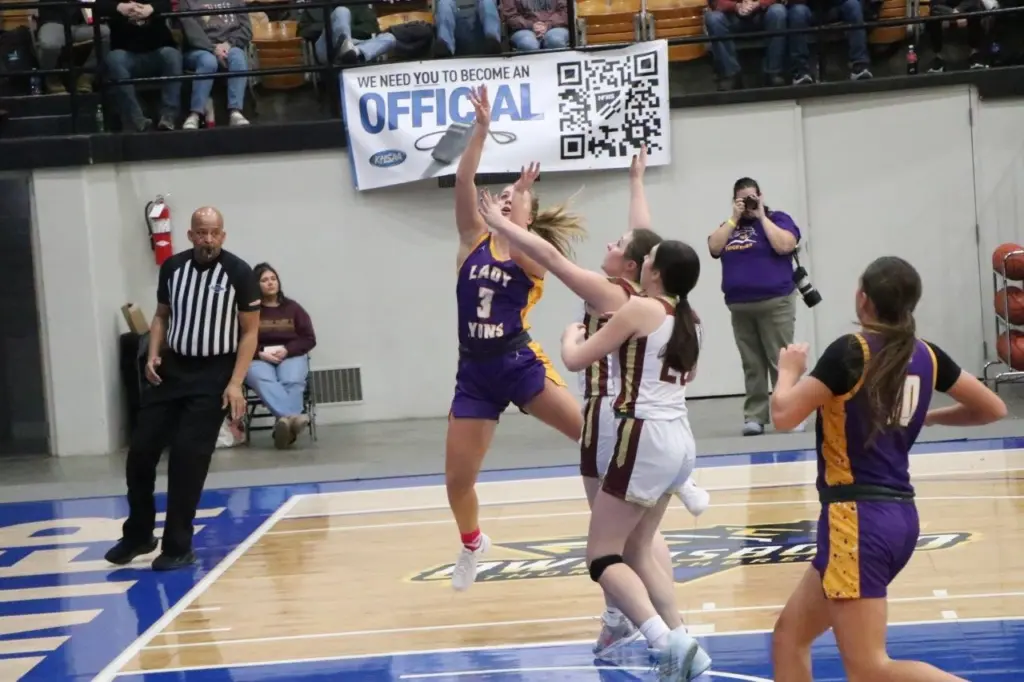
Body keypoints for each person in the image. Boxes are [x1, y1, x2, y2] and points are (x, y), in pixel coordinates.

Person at [477, 154, 711, 658]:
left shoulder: (618, 298)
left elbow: (551, 259)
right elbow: (645, 236)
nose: (613, 243)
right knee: (634, 538)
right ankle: (661, 624)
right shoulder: (672, 305)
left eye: (620, 246)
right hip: (663, 427)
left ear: (641, 268)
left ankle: (638, 623)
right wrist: (636, 181)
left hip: (618, 418)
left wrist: (504, 220)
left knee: (612, 542)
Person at [769, 256, 1007, 682]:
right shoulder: (927, 354)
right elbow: (992, 408)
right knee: (789, 637)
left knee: (869, 668)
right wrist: (929, 417)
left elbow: (784, 415)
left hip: (856, 520)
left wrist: (787, 372)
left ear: (863, 299)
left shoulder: (851, 352)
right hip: (896, 518)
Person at [446, 84, 587, 593]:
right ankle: (472, 544)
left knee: (592, 435)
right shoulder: (472, 242)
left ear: (526, 213)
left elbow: (525, 244)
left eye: (514, 197)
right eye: (502, 195)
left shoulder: (535, 256)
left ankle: (669, 475)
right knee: (457, 482)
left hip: (518, 362)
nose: (504, 200)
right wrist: (480, 130)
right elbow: (464, 178)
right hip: (474, 372)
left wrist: (519, 205)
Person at [556, 238, 712, 680]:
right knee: (639, 549)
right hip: (680, 437)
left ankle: (664, 643)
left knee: (601, 556)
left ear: (655, 273)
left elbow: (575, 360)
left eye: (648, 258)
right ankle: (683, 640)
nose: (642, 259)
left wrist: (571, 337)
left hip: (644, 435)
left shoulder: (639, 309)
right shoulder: (692, 319)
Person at [104, 207, 261, 570]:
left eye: (215, 232)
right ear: (190, 235)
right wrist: (153, 354)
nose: (208, 239)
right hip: (174, 369)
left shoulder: (239, 272)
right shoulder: (173, 268)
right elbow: (161, 316)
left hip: (214, 373)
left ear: (223, 235)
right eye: (201, 232)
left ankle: (178, 546)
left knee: (187, 459)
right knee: (141, 452)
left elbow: (250, 332)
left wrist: (236, 383)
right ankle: (138, 535)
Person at [707, 177, 801, 436]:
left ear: (760, 196)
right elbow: (714, 247)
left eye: (752, 197)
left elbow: (785, 245)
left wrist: (761, 216)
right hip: (740, 306)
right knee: (752, 365)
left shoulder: (778, 219)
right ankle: (755, 417)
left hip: (775, 302)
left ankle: (791, 414)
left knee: (780, 361)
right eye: (742, 199)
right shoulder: (730, 226)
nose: (748, 203)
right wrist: (733, 218)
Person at [246, 263, 316, 449]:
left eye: (273, 279)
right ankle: (293, 418)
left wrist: (287, 350)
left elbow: (309, 338)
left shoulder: (293, 308)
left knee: (292, 380)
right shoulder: (250, 310)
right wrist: (260, 353)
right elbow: (239, 339)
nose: (270, 283)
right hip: (258, 357)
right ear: (256, 285)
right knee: (263, 380)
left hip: (289, 354)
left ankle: (284, 426)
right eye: (264, 280)